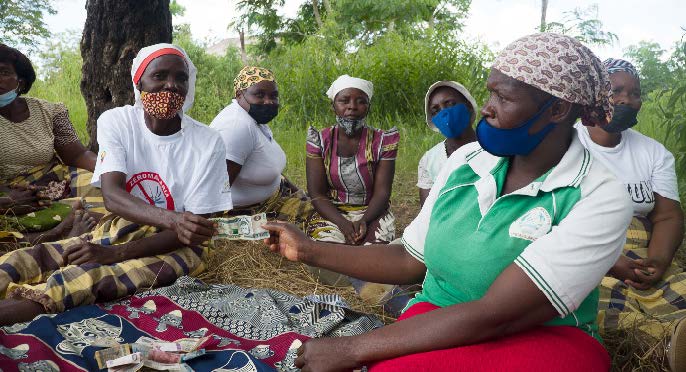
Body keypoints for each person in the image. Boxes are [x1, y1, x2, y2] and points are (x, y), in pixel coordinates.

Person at [262, 33, 633, 371]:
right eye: (489, 94)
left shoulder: (598, 193)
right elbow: (410, 259)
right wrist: (308, 250)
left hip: (545, 338)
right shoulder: (464, 164)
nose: (486, 109)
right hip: (438, 318)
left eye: (503, 98)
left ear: (558, 110)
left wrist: (350, 349)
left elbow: (498, 315)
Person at [0, 43, 233, 326]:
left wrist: (113, 254)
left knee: (85, 279)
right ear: (139, 83)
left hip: (180, 246)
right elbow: (112, 195)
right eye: (159, 76)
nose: (171, 86)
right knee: (30, 258)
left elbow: (192, 232)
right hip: (125, 225)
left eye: (180, 78)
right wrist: (168, 220)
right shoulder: (118, 121)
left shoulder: (208, 142)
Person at [577, 58, 685, 369]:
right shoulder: (567, 143)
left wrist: (658, 262)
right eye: (616, 91)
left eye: (635, 93)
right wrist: (610, 262)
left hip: (643, 251)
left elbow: (667, 216)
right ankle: (668, 343)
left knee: (677, 289)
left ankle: (676, 336)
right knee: (607, 309)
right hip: (591, 251)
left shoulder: (652, 152)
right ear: (595, 94)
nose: (626, 99)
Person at [0, 44, 101, 246]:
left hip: (56, 181)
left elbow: (78, 155)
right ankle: (60, 234)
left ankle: (75, 230)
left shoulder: (49, 111)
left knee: (108, 194)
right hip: (9, 195)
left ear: (21, 81)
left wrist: (113, 171)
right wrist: (8, 200)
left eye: (3, 72)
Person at [209, 66, 311, 226]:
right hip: (255, 210)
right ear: (239, 95)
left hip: (276, 195)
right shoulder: (236, 127)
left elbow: (266, 164)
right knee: (326, 224)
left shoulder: (252, 118)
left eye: (274, 95)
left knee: (325, 206)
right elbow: (217, 188)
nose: (269, 101)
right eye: (259, 95)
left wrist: (299, 193)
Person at [417, 81, 479, 206]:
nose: (444, 113)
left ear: (468, 106)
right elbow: (428, 210)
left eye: (450, 104)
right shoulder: (429, 160)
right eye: (435, 110)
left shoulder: (493, 149)